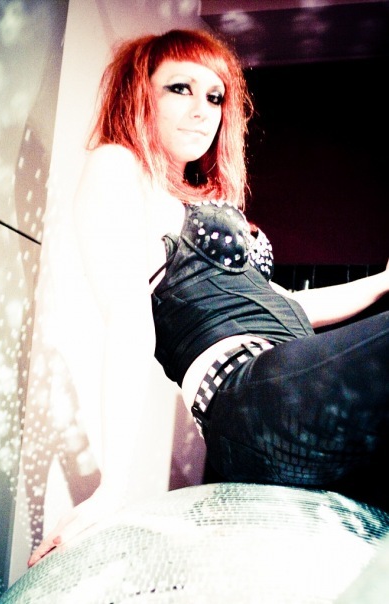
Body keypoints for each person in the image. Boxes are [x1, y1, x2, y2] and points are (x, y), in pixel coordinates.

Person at [28, 28, 389, 567]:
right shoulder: (119, 166)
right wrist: (113, 486)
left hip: (290, 390)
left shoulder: (204, 198)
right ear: (139, 94)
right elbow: (128, 319)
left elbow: (290, 305)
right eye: (180, 88)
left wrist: (382, 282)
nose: (202, 111)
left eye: (215, 96)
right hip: (252, 402)